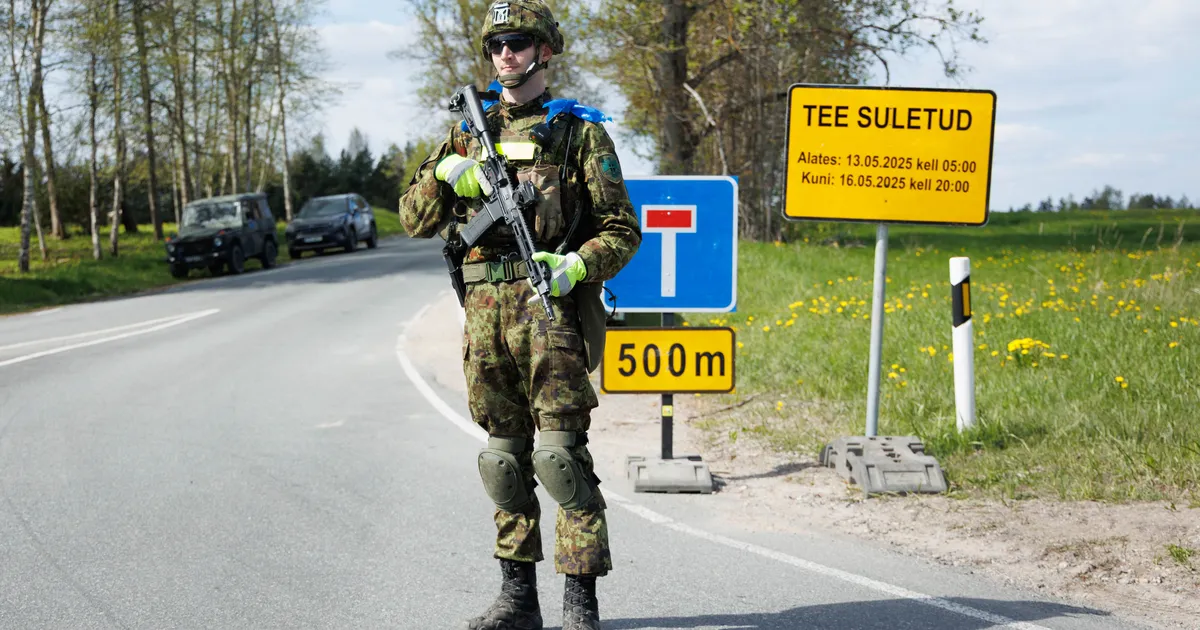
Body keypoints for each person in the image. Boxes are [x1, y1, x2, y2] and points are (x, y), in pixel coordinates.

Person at [398, 2, 641, 628]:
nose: (505, 54)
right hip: (484, 317)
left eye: (518, 42)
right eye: (496, 44)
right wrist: (446, 175)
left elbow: (621, 230)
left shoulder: (579, 133)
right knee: (503, 459)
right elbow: (413, 220)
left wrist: (577, 266)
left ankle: (579, 605)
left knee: (560, 458)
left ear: (544, 50)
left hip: (548, 311)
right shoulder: (464, 133)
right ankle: (517, 600)